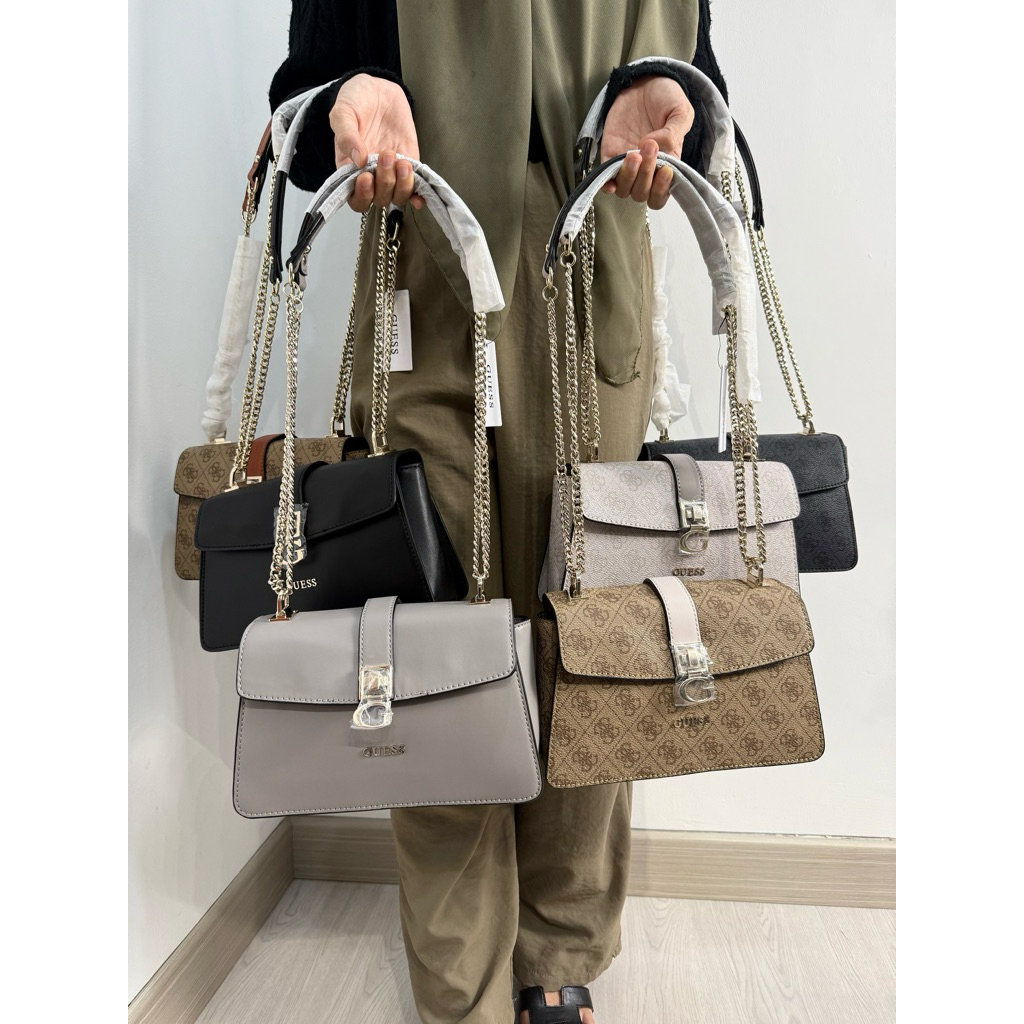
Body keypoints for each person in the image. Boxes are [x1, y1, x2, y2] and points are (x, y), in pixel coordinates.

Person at [269, 3, 729, 1022]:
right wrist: (348, 100)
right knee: (438, 644)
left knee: (593, 634)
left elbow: (701, 90)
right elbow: (295, 112)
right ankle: (460, 984)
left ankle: (558, 949)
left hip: (594, 273)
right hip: (426, 276)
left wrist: (668, 103)